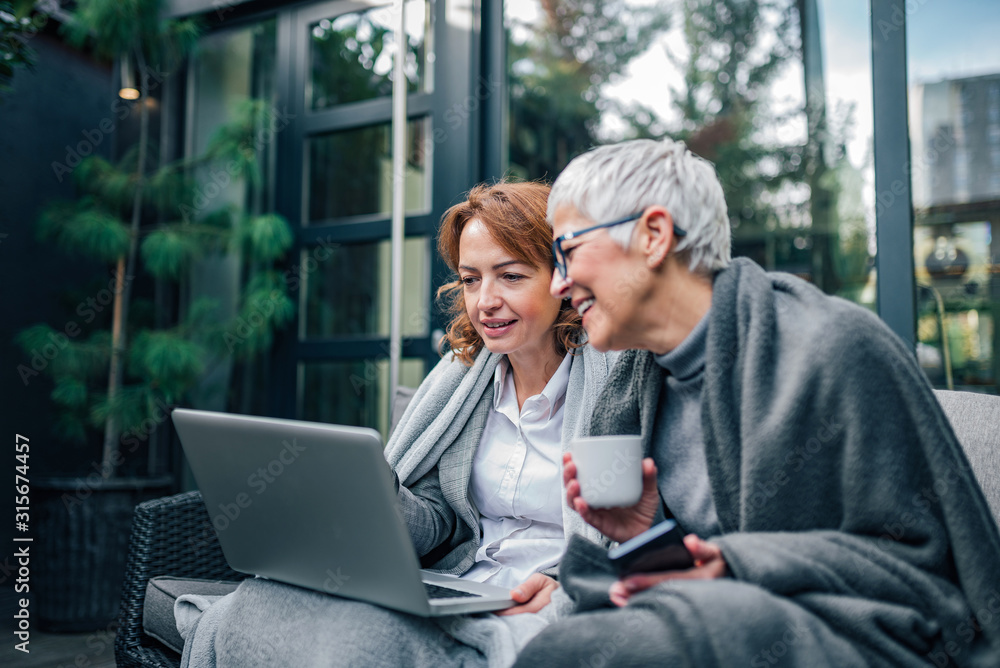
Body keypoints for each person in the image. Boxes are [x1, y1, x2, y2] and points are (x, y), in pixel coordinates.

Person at [511, 139, 1000, 667]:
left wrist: (737, 564)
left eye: (568, 251)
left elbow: (921, 573)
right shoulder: (632, 386)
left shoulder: (834, 347)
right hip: (722, 626)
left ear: (654, 236)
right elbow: (689, 573)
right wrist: (647, 534)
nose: (560, 284)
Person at [179, 181, 617, 668]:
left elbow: (636, 528)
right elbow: (438, 520)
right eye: (471, 280)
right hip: (462, 584)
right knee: (265, 598)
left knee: (365, 639)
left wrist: (571, 580)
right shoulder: (461, 378)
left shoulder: (613, 384)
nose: (485, 300)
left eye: (510, 276)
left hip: (543, 599)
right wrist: (379, 496)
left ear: (563, 279)